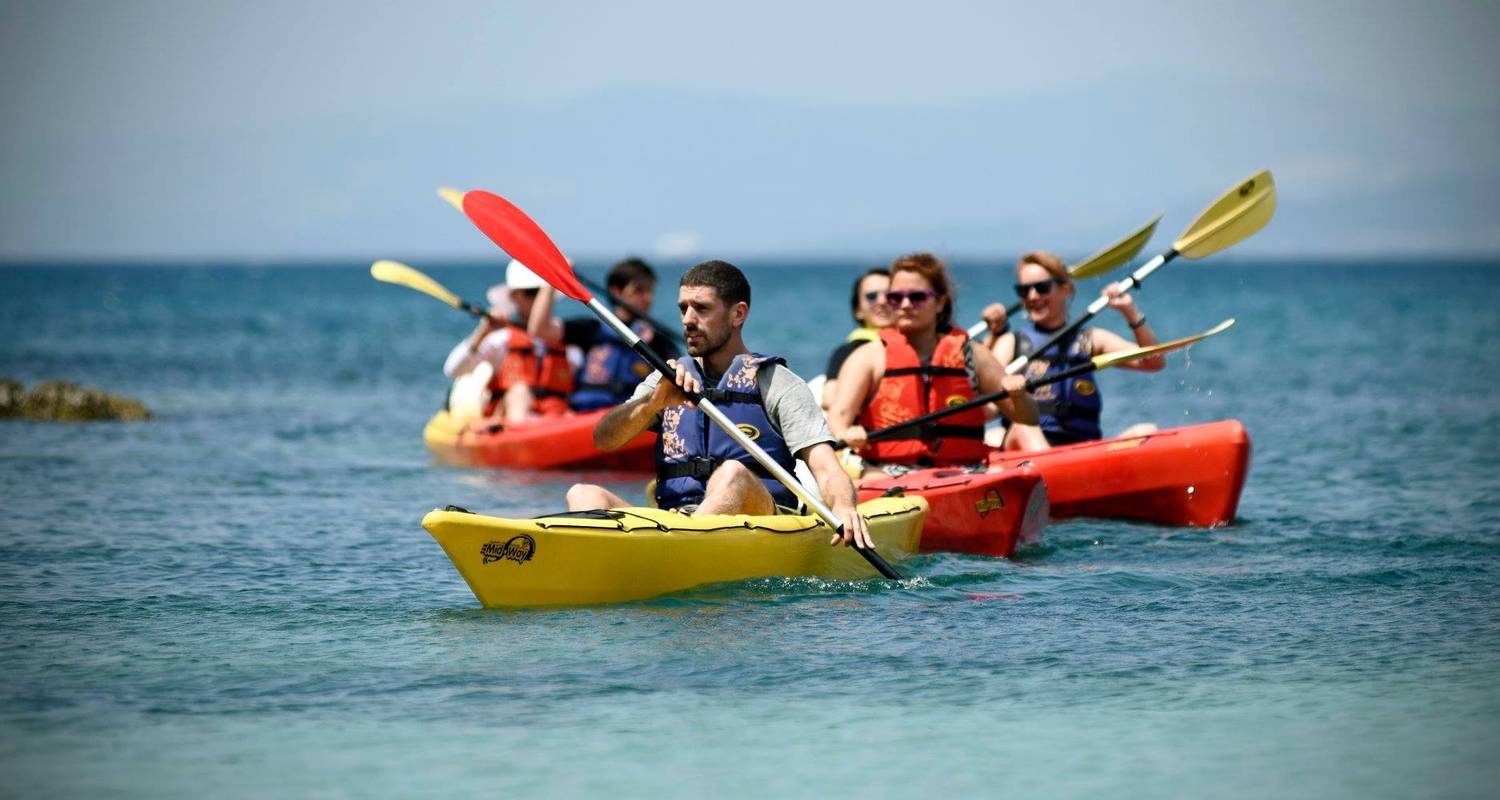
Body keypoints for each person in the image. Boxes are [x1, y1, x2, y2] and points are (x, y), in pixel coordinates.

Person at [565, 260, 873, 549]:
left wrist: (845, 508)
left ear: (738, 314)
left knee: (733, 474)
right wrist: (651, 403)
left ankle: (673, 554)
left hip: (759, 521)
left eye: (701, 308)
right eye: (683, 308)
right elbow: (603, 440)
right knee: (583, 494)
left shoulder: (778, 383)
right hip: (676, 522)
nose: (687, 319)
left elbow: (826, 467)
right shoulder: (667, 380)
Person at [828, 253, 1039, 480]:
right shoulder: (868, 357)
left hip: (963, 473)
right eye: (896, 298)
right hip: (889, 475)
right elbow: (836, 421)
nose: (905, 305)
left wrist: (1019, 396)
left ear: (940, 302)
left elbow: (1029, 418)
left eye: (917, 297)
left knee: (1000, 475)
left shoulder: (972, 354)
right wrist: (847, 433)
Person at [979, 250, 1164, 451]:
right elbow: (986, 410)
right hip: (1024, 448)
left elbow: (1153, 362)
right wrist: (992, 336)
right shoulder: (1009, 342)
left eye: (1042, 288)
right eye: (1024, 290)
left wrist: (1129, 311)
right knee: (1025, 428)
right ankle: (1054, 473)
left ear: (1065, 290)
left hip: (1081, 449)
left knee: (1147, 430)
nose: (1032, 296)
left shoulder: (1091, 339)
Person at [527, 257, 681, 412]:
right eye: (639, 290)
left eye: (650, 290)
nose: (648, 298)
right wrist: (551, 280)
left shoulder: (659, 343)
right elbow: (539, 329)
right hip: (585, 414)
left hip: (627, 419)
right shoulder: (591, 330)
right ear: (616, 291)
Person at [442, 259, 577, 424]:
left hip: (555, 419)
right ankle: (523, 431)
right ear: (514, 296)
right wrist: (483, 332)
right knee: (519, 391)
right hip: (510, 418)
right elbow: (453, 370)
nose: (538, 299)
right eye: (531, 292)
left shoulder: (566, 338)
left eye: (542, 293)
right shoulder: (501, 338)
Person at [819, 268, 895, 411]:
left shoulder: (922, 346)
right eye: (871, 296)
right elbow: (829, 398)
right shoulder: (847, 352)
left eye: (890, 295)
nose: (882, 301)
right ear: (858, 310)